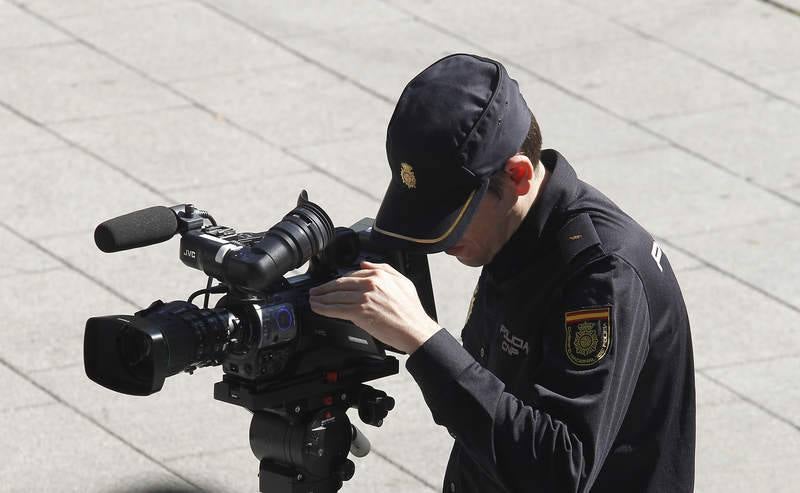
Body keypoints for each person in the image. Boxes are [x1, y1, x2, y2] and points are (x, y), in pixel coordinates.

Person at [308, 53, 695, 492]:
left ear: (517, 176)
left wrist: (424, 340)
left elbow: (559, 471)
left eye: (454, 213)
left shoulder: (602, 275)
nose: (437, 240)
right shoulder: (515, 234)